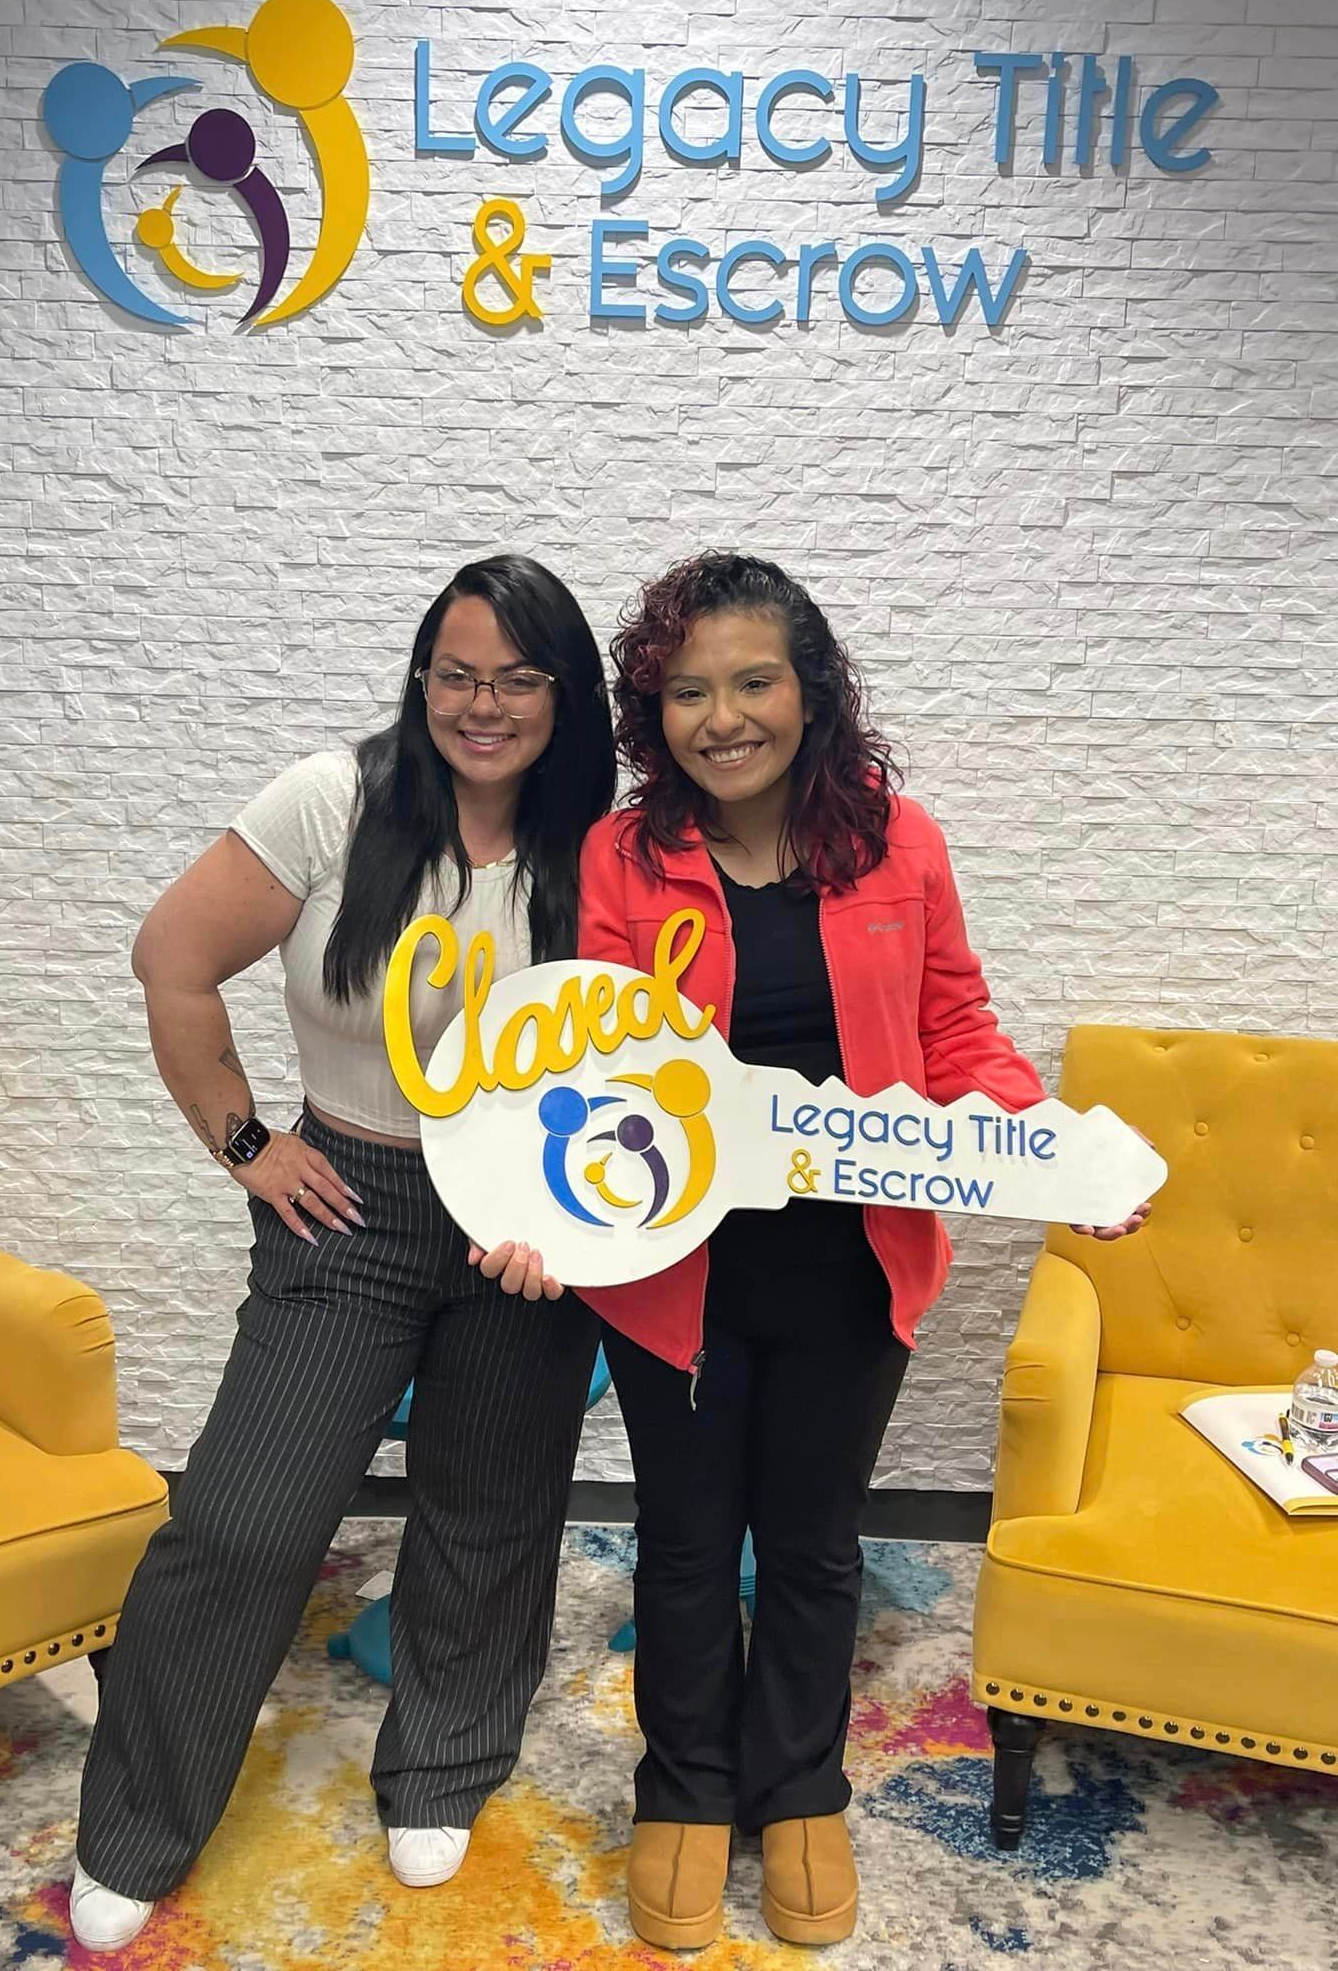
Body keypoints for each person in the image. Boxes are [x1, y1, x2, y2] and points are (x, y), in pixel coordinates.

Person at [486, 550, 1150, 1953]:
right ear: (650, 711)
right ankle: (685, 1788)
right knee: (680, 1543)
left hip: (854, 1268)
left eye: (751, 682)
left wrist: (1051, 1156)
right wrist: (537, 1217)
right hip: (672, 1275)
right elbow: (594, 1068)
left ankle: (797, 1789)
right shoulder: (623, 856)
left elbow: (959, 1030)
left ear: (813, 689)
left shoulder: (900, 842)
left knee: (809, 1544)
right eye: (685, 693)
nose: (720, 718)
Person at [69, 555, 614, 1954]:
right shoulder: (336, 802)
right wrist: (251, 1148)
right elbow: (171, 959)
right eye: (456, 673)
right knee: (240, 1519)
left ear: (567, 695)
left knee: (488, 1515)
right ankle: (137, 1824)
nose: (481, 705)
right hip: (351, 1206)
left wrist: (579, 1223)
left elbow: (645, 1061)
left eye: (517, 679)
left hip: (524, 1224)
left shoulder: (606, 843)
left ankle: (440, 1767)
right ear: (422, 676)